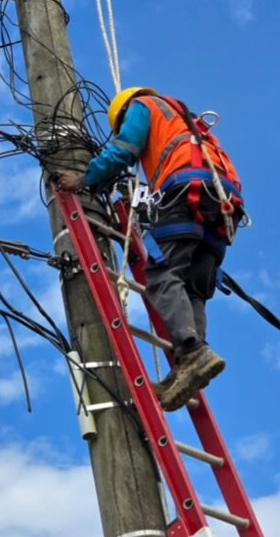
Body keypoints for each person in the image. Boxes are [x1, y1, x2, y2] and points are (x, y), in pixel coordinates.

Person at [56, 86, 244, 412]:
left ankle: (192, 350)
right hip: (222, 208)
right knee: (193, 290)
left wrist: (86, 179)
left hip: (185, 192)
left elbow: (123, 149)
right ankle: (190, 363)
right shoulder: (188, 124)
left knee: (162, 273)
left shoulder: (141, 107)